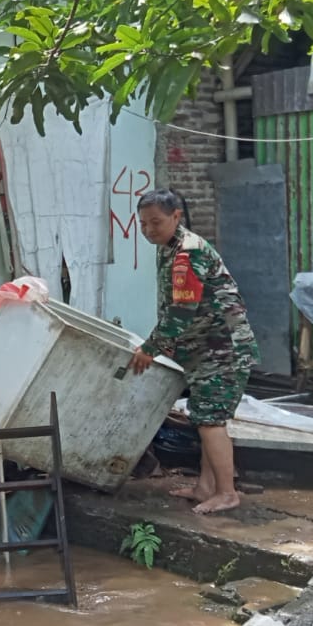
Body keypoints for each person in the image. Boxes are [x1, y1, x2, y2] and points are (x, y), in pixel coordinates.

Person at [128, 189, 259, 515]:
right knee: (204, 416)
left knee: (211, 421)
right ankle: (206, 487)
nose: (148, 231)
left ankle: (227, 493)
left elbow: (182, 310)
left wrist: (150, 348)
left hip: (223, 350)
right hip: (204, 351)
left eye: (155, 223)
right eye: (142, 224)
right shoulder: (167, 249)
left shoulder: (188, 252)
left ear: (176, 216)